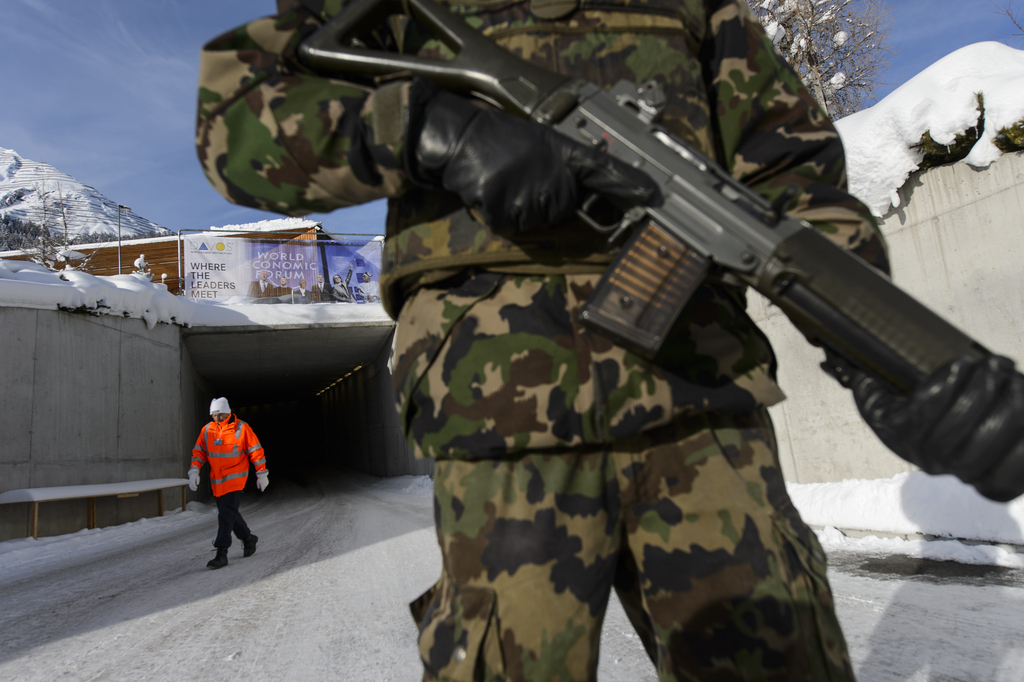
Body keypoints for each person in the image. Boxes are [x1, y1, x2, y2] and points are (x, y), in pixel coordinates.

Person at [196, 1, 1024, 678]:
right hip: (497, 420)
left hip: (704, 406)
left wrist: (874, 346)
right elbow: (239, 115)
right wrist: (432, 130)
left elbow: (792, 178)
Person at [188, 397, 269, 570]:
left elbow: (256, 450)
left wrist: (262, 473)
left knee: (225, 515)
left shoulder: (242, 428)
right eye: (214, 416)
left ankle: (221, 553)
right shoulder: (207, 430)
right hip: (217, 481)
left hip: (235, 479)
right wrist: (194, 470)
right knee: (230, 513)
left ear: (228, 412)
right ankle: (248, 538)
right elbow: (199, 452)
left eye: (221, 415)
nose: (217, 419)